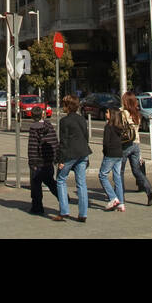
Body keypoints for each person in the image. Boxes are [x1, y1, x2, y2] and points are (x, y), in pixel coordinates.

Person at [53, 94, 90, 222]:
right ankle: (83, 213)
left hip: (70, 154)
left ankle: (64, 211)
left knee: (61, 179)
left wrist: (60, 160)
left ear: (67, 106)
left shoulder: (64, 121)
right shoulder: (82, 119)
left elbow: (64, 142)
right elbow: (86, 137)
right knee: (81, 184)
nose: (62, 107)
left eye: (63, 104)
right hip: (83, 152)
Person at [120, 91, 152, 205]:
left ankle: (121, 196)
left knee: (119, 171)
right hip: (136, 144)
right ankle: (149, 191)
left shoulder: (123, 113)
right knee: (136, 171)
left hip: (125, 144)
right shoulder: (137, 113)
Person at [26, 107, 60, 216]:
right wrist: (56, 157)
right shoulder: (49, 127)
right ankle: (63, 197)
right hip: (49, 160)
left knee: (36, 184)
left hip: (38, 162)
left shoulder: (33, 129)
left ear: (32, 116)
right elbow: (55, 142)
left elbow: (32, 146)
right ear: (42, 115)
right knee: (50, 182)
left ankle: (37, 207)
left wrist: (32, 162)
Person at [97, 106, 126, 212]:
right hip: (119, 154)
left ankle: (113, 198)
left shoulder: (108, 127)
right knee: (117, 177)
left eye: (107, 112)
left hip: (111, 154)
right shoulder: (119, 127)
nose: (105, 114)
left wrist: (105, 152)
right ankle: (121, 203)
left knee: (102, 175)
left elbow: (106, 142)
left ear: (112, 115)